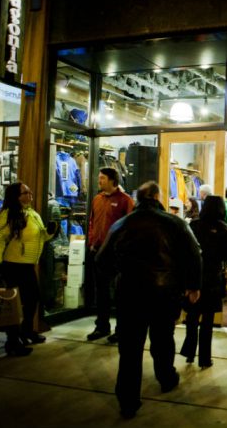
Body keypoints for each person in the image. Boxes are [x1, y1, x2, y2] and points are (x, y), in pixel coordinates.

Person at [96, 181, 202, 419]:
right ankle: (166, 377)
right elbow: (193, 255)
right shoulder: (174, 223)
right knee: (163, 339)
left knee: (130, 348)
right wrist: (193, 286)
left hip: (130, 292)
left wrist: (118, 276)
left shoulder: (122, 224)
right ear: (156, 196)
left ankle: (128, 400)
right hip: (164, 292)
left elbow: (102, 260)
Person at [0, 182, 57, 356]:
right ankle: (12, 341)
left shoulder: (31, 213)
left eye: (30, 192)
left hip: (27, 265)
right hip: (12, 265)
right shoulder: (6, 215)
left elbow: (39, 236)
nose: (29, 196)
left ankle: (25, 332)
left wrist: (49, 232)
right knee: (13, 304)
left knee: (32, 299)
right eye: (25, 193)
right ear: (15, 196)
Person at [181, 195, 227, 366]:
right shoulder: (223, 228)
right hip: (213, 278)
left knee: (192, 316)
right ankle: (204, 358)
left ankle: (189, 352)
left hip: (194, 276)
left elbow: (186, 250)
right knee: (208, 321)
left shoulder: (194, 225)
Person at [86, 168, 134, 342]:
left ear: (113, 180)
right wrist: (92, 242)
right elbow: (92, 222)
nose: (99, 181)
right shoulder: (97, 199)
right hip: (98, 251)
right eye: (99, 178)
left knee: (120, 294)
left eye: (102, 178)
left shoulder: (125, 200)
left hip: (117, 254)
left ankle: (121, 330)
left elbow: (130, 227)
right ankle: (102, 326)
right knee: (102, 292)